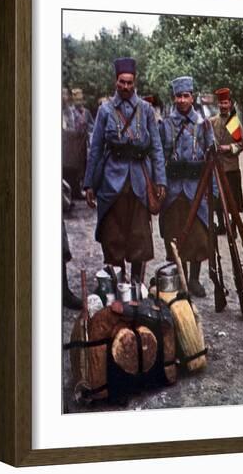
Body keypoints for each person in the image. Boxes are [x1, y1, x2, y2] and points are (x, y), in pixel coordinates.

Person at [83, 57, 167, 282]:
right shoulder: (105, 110)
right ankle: (118, 289)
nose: (126, 87)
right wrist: (89, 183)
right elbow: (96, 147)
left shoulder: (147, 110)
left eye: (130, 82)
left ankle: (137, 289)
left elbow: (156, 148)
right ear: (116, 81)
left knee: (140, 237)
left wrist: (160, 181)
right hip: (111, 183)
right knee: (113, 238)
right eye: (122, 82)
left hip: (140, 182)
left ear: (135, 81)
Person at [159, 76, 216, 297]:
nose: (182, 100)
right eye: (178, 96)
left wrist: (214, 191)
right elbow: (160, 155)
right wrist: (160, 185)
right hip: (173, 190)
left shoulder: (203, 124)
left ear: (192, 97)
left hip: (196, 189)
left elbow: (211, 159)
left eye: (186, 96)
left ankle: (193, 279)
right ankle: (178, 276)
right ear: (173, 98)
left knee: (198, 236)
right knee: (174, 233)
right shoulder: (165, 124)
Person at [210, 87, 243, 237]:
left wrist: (228, 148)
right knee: (218, 198)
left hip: (231, 167)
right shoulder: (213, 121)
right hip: (217, 167)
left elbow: (241, 145)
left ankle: (234, 225)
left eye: (226, 102)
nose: (223, 106)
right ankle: (221, 225)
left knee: (233, 200)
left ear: (230, 103)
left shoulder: (233, 122)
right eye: (221, 103)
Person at [62, 87, 94, 201]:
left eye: (80, 99)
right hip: (72, 145)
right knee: (74, 168)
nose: (79, 102)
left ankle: (82, 189)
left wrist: (89, 132)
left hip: (83, 144)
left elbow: (92, 126)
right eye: (76, 100)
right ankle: (74, 191)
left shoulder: (87, 112)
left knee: (84, 166)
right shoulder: (70, 112)